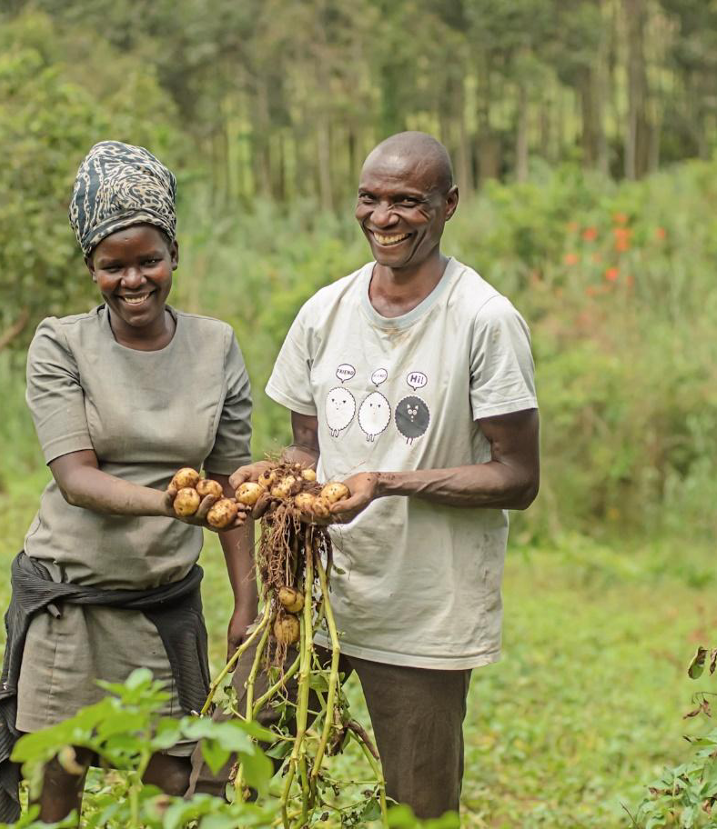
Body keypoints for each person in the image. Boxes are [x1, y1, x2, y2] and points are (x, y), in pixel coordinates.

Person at [226, 131, 540, 818]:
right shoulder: (324, 311)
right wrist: (275, 477)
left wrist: (389, 482)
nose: (383, 217)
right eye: (370, 199)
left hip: (422, 609)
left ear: (448, 204)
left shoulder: (483, 321)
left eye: (407, 201)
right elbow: (306, 448)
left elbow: (517, 476)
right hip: (309, 597)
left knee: (417, 806)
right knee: (233, 768)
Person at [0, 141, 257, 825]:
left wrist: (245, 602)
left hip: (160, 607)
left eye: (148, 260)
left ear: (174, 254)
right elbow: (77, 480)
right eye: (113, 265)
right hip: (70, 603)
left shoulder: (215, 345)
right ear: (90, 268)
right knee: (59, 781)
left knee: (176, 782)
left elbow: (229, 482)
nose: (133, 279)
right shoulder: (61, 344)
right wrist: (175, 505)